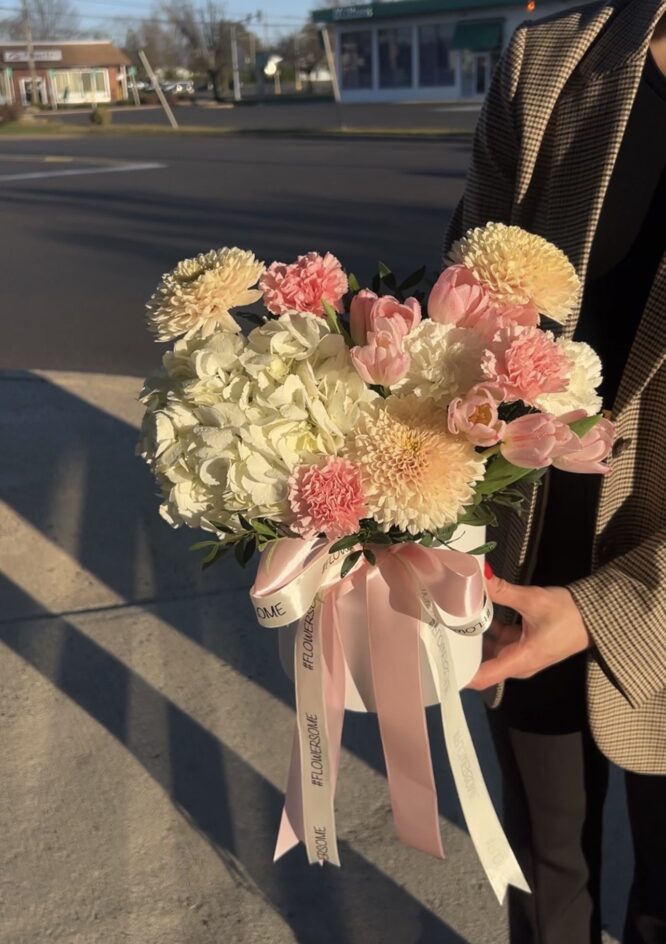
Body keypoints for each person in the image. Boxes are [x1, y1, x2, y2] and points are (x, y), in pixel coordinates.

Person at [444, 1, 666, 942]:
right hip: (527, 562)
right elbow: (449, 314)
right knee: (543, 876)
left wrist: (614, 610)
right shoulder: (551, 62)